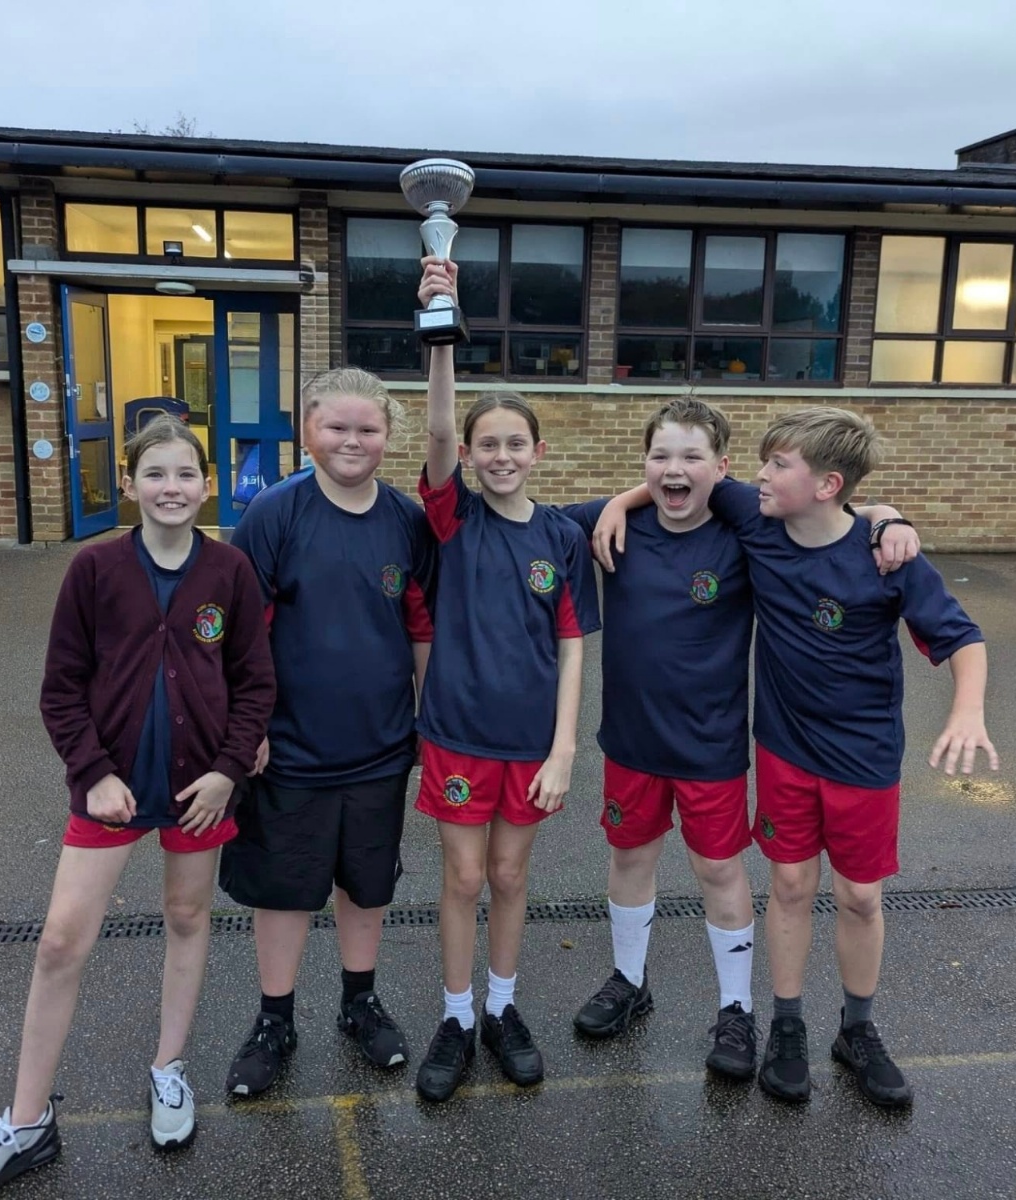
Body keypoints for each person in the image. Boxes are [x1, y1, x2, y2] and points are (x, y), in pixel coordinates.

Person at [593, 405, 996, 1109]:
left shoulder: (885, 554)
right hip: (783, 751)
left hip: (864, 757)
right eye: (762, 463)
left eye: (778, 464)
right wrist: (621, 501)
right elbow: (677, 475)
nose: (760, 475)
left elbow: (962, 638)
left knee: (860, 896)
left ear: (826, 484)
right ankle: (785, 1024)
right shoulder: (760, 523)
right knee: (789, 887)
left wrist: (967, 709)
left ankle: (858, 1029)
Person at [0, 416, 274, 1199]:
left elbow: (256, 682)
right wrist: (90, 773)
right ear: (128, 484)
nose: (170, 488)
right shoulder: (94, 569)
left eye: (184, 474)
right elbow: (61, 687)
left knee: (186, 917)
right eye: (154, 474)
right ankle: (27, 1121)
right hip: (112, 791)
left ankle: (168, 1068)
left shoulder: (229, 570)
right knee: (61, 941)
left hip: (198, 791)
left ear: (208, 485)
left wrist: (227, 772)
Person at [413, 257, 601, 1103]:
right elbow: (436, 431)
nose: (500, 455)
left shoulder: (561, 537)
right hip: (456, 734)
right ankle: (456, 1017)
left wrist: (564, 749)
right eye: (486, 444)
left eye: (514, 443)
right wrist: (441, 329)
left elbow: (573, 645)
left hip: (531, 744)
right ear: (469, 455)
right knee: (462, 879)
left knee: (511, 877)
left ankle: (501, 1007)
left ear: (537, 452)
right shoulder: (453, 518)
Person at [221, 367, 437, 1097]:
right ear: (307, 428)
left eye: (367, 428)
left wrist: (426, 716)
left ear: (387, 436)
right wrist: (246, 726)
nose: (352, 440)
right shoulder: (274, 515)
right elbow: (241, 634)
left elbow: (420, 626)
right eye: (336, 426)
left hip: (380, 744)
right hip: (289, 748)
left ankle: (359, 1001)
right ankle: (274, 1018)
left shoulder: (406, 520)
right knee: (285, 890)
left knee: (367, 885)